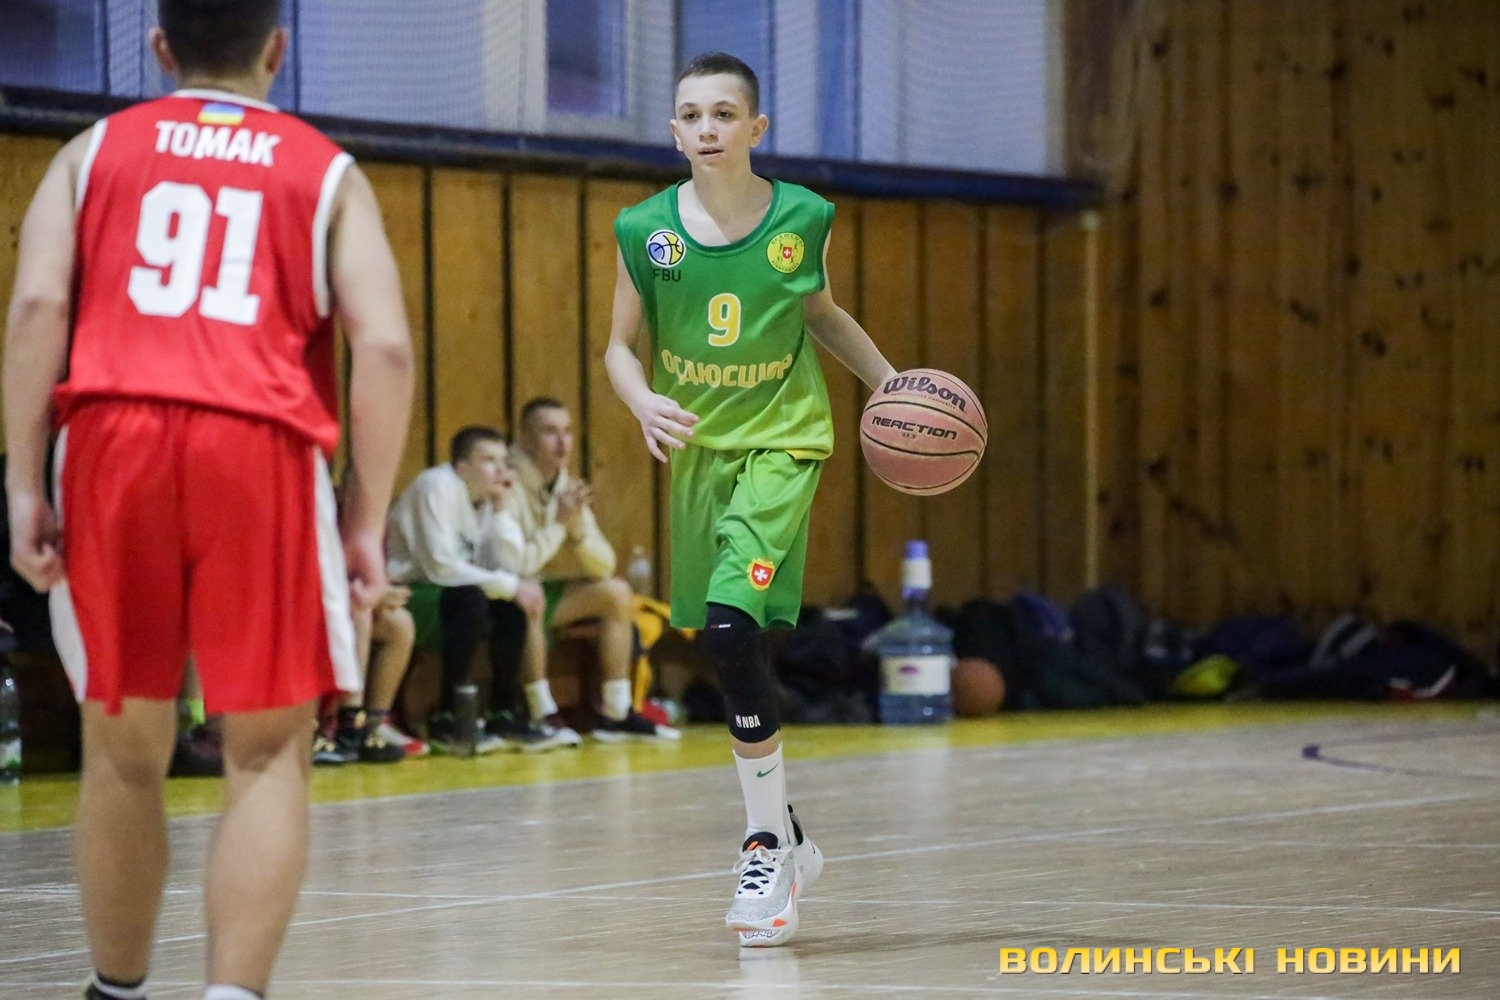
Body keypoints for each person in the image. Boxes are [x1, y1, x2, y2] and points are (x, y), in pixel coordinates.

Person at [2, 2, 415, 997]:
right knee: (266, 754)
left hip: (113, 441)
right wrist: (364, 520)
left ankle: (117, 990)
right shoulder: (324, 169)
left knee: (122, 751)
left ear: (159, 48)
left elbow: (38, 305)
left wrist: (21, 482)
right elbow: (387, 347)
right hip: (257, 445)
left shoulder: (91, 152)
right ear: (278, 48)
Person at [604, 52, 898, 947]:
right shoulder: (644, 229)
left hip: (783, 441)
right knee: (718, 640)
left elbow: (820, 312)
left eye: (724, 114)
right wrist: (640, 399)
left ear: (755, 128)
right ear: (674, 131)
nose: (708, 129)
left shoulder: (802, 217)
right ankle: (789, 836)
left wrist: (891, 386)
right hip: (700, 454)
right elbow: (617, 346)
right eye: (692, 115)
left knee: (734, 630)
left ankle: (764, 848)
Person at [384, 426, 575, 754]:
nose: (501, 470)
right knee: (474, 598)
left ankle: (504, 713)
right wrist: (510, 585)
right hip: (407, 592)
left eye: (503, 461)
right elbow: (440, 567)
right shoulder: (436, 486)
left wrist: (500, 509)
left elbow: (509, 566)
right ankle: (450, 717)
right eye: (489, 460)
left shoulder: (486, 498)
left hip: (451, 592)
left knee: (510, 606)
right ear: (462, 468)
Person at [508, 396, 679, 741]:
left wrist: (578, 533)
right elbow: (515, 565)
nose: (562, 442)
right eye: (550, 432)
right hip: (501, 591)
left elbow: (605, 565)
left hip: (541, 588)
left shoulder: (564, 483)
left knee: (616, 593)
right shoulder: (507, 481)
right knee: (530, 594)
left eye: (568, 431)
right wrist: (560, 525)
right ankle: (542, 714)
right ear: (525, 439)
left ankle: (616, 712)